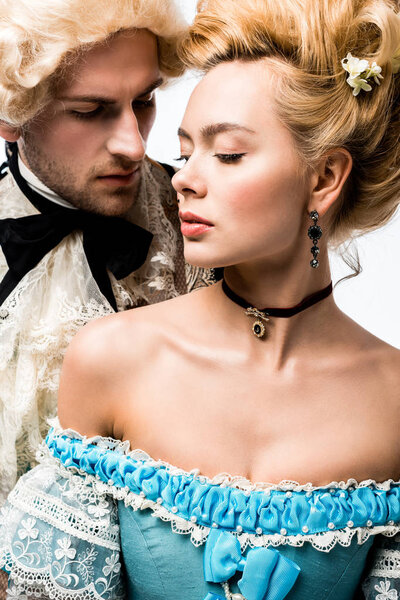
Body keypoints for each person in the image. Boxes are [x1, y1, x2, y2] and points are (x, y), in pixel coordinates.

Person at [1, 0, 400, 598]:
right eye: (185, 151)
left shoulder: (390, 397)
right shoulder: (116, 358)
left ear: (324, 178)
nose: (175, 172)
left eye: (229, 154)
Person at [0, 0, 212, 509]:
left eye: (144, 101)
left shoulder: (210, 223)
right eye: (91, 111)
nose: (134, 145)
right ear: (12, 117)